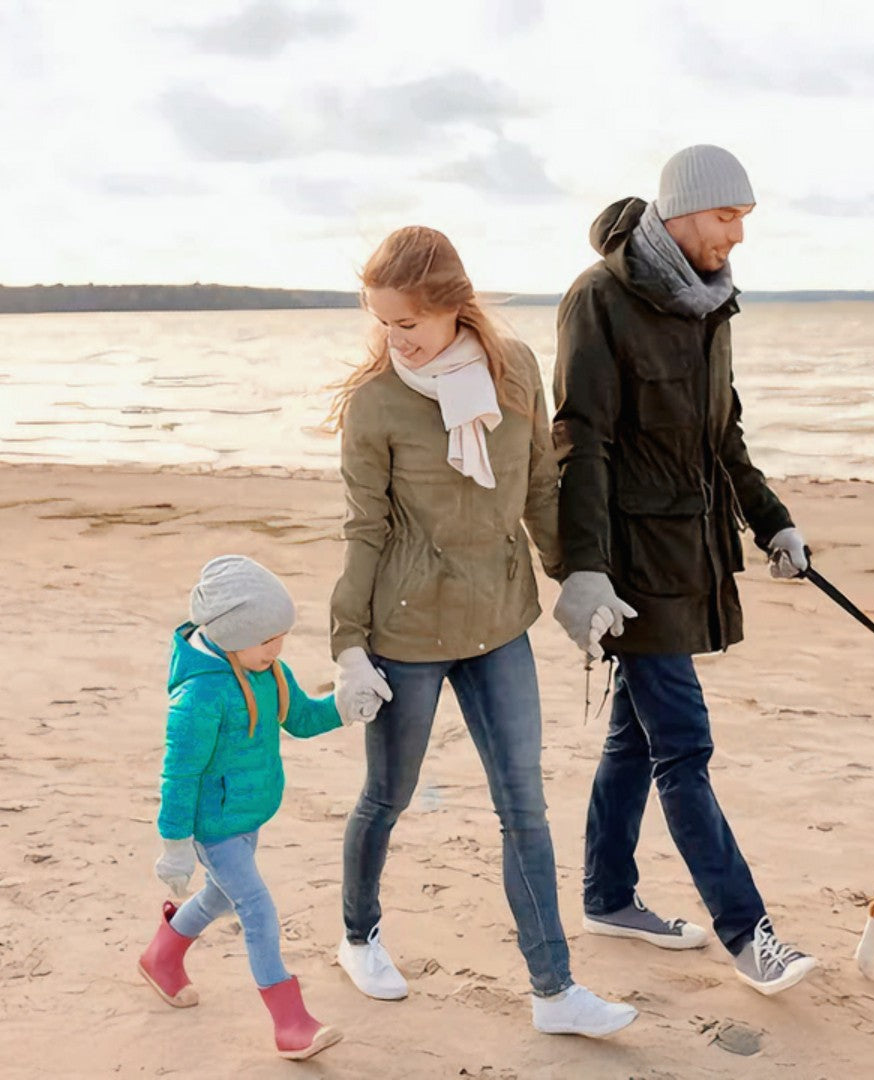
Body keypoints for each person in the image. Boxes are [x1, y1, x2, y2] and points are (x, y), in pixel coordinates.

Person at [325, 226, 638, 1038]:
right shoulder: (376, 403)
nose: (397, 339)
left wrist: (576, 575)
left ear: (452, 304)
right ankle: (358, 937)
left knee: (523, 806)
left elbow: (538, 486)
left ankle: (554, 991)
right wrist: (348, 645)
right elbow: (365, 530)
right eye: (384, 324)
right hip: (406, 628)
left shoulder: (516, 369)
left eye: (409, 323)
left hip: (500, 620)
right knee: (386, 797)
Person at [550, 144, 818, 995]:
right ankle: (750, 935)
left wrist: (773, 522)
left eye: (744, 219)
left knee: (636, 739)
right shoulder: (600, 299)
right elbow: (579, 439)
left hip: (692, 553)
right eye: (724, 217)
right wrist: (582, 570)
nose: (736, 236)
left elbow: (721, 437)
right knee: (685, 747)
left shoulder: (712, 305)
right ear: (679, 212)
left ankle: (605, 895)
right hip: (631, 568)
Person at [137, 555, 344, 1060]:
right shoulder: (198, 696)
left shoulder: (267, 669)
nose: (276, 649)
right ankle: (290, 1021)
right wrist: (176, 845)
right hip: (212, 826)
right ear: (229, 633)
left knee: (221, 897)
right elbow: (179, 776)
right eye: (265, 639)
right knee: (255, 907)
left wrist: (347, 706)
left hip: (246, 815)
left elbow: (302, 719)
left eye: (281, 638)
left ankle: (161, 957)